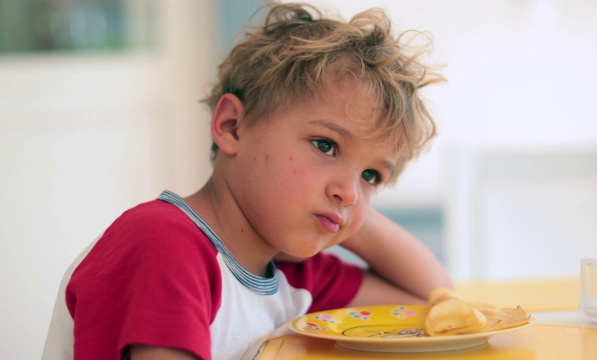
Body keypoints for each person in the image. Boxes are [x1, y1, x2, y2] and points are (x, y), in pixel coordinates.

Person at [42, 1, 452, 359]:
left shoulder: (290, 277)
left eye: (371, 175)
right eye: (326, 146)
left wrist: (346, 212)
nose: (347, 190)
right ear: (232, 126)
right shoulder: (162, 245)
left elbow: (431, 298)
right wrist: (346, 197)